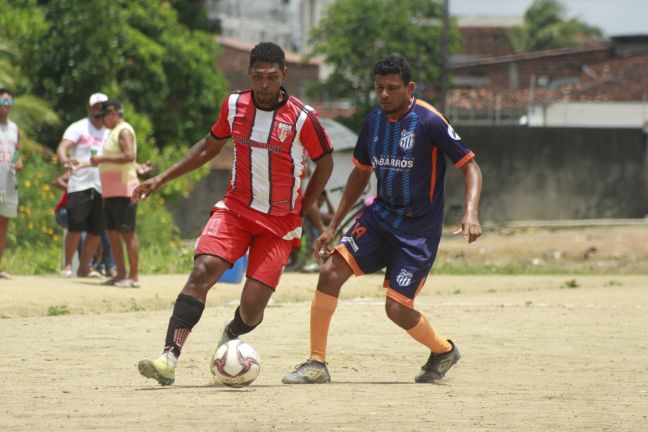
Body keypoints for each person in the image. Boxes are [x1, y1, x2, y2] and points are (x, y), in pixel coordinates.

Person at [134, 42, 334, 386]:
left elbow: (325, 163)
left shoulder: (303, 119)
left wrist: (301, 211)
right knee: (202, 270)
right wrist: (161, 178)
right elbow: (207, 148)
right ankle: (168, 357)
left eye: (272, 77)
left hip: (279, 224)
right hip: (236, 210)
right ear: (250, 75)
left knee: (252, 306)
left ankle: (230, 334)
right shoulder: (234, 105)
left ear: (284, 75)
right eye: (258, 77)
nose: (265, 85)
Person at [282, 54, 483, 385]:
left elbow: (470, 165)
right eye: (379, 88)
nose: (385, 94)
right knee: (330, 272)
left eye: (392, 88)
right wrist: (332, 227)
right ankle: (316, 362)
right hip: (379, 218)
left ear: (410, 88)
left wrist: (471, 211)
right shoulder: (374, 121)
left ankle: (444, 351)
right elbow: (360, 175)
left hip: (418, 231)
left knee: (397, 310)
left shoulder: (430, 121)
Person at [56, 92, 109, 278]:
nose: (99, 110)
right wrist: (64, 160)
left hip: (102, 186)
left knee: (96, 229)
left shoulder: (110, 132)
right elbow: (63, 147)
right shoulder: (79, 127)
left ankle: (84, 267)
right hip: (80, 184)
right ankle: (68, 265)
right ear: (89, 108)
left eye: (103, 106)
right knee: (75, 225)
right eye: (96, 106)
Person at [91, 100, 140, 287]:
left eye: (103, 116)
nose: (102, 121)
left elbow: (129, 156)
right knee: (112, 233)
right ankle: (120, 274)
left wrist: (102, 158)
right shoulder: (112, 132)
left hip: (124, 190)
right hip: (110, 191)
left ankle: (133, 277)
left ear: (112, 113)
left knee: (127, 232)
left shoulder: (124, 130)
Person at [0, 88, 24, 279]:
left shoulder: (15, 128)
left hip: (8, 180)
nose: (5, 106)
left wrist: (18, 161)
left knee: (3, 223)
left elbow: (17, 151)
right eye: (2, 102)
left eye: (8, 103)